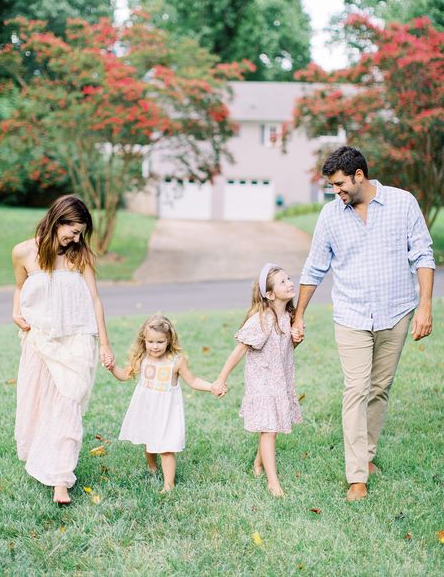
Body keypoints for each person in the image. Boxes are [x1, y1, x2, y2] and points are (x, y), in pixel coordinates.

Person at [293, 146, 434, 501]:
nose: (336, 191)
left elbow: (422, 255)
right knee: (356, 389)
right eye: (332, 186)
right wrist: (299, 315)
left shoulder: (403, 204)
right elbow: (314, 268)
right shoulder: (330, 215)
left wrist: (425, 307)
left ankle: (366, 455)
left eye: (340, 184)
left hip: (397, 311)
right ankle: (357, 476)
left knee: (379, 389)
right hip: (352, 315)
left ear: (359, 176)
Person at [12, 194, 114, 505]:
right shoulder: (23, 252)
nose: (75, 238)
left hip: (77, 340)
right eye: (71, 231)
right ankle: (43, 458)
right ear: (56, 221)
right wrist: (16, 313)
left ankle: (60, 480)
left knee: (68, 408)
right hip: (41, 340)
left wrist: (105, 342)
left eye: (80, 233)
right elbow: (19, 288)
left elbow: (95, 299)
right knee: (39, 404)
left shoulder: (80, 256)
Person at [211, 264, 302, 497]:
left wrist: (297, 338)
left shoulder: (288, 317)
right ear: (270, 295)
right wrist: (221, 379)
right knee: (269, 430)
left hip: (280, 381)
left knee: (272, 427)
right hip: (262, 383)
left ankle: (259, 463)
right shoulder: (262, 320)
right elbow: (238, 351)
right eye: (283, 282)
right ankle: (273, 483)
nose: (290, 283)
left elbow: (287, 347)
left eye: (289, 279)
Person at [108, 314, 223, 492]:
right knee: (149, 440)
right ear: (144, 340)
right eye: (151, 342)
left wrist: (212, 387)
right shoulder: (142, 358)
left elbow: (192, 381)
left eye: (160, 342)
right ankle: (152, 467)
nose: (155, 346)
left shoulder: (176, 362)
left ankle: (168, 485)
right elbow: (124, 375)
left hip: (166, 412)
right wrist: (112, 368)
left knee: (166, 448)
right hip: (147, 409)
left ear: (169, 340)